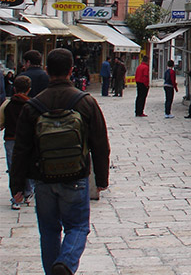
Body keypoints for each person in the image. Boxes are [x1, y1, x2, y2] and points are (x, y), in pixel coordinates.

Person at [10, 48, 110, 275]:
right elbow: (100, 144)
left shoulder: (32, 106)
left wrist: (17, 186)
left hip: (43, 178)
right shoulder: (85, 102)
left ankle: (53, 270)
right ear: (71, 71)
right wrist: (102, 179)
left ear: (47, 71)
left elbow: (21, 149)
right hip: (76, 177)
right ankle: (65, 263)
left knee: (48, 231)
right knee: (78, 227)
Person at [2, 75, 34, 210]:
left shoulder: (7, 105)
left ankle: (16, 195)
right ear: (29, 90)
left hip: (11, 140)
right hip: (28, 140)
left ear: (14, 89)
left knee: (14, 168)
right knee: (28, 165)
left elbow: (1, 122)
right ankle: (28, 192)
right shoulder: (32, 105)